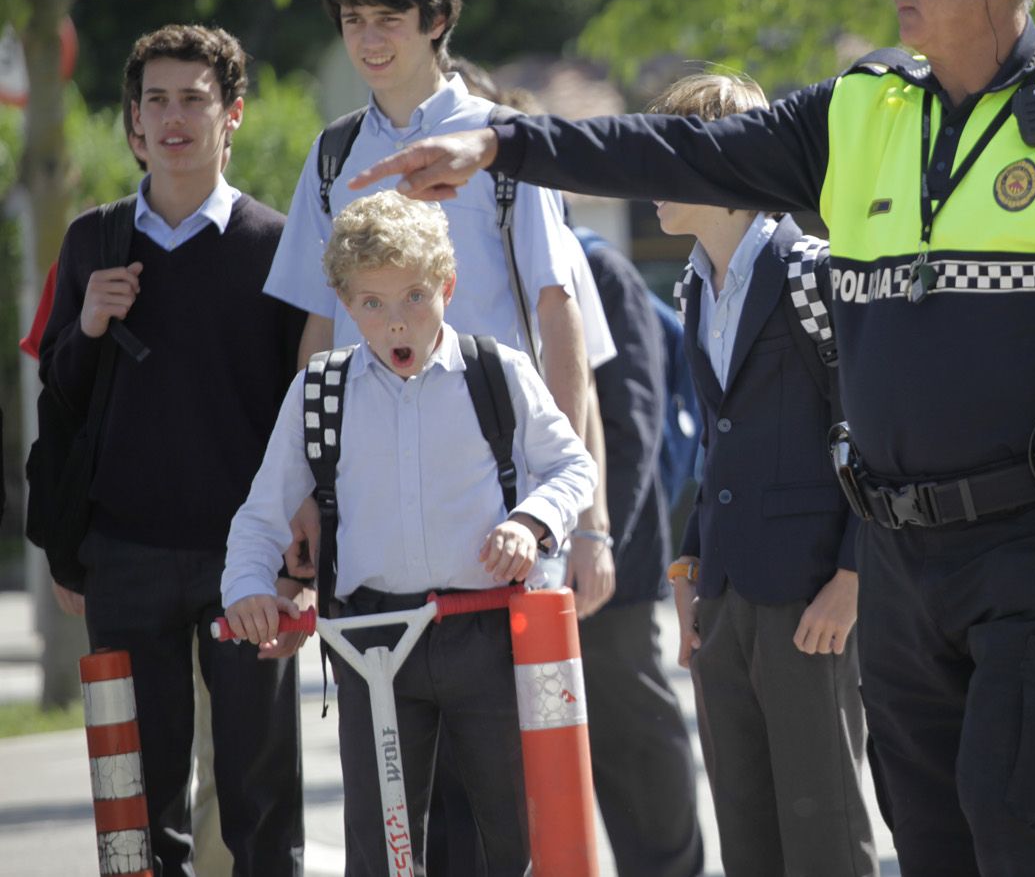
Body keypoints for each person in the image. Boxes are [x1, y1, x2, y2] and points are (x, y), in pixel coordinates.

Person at [354, 0, 1035, 876]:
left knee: (1023, 833)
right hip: (903, 557)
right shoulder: (856, 110)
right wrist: (503, 146)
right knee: (934, 841)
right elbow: (672, 150)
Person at [221, 190, 597, 877]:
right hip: (373, 640)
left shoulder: (497, 371)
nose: (397, 322)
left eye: (415, 297)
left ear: (448, 286)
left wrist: (530, 522)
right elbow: (260, 513)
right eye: (371, 303)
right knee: (384, 842)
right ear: (342, 301)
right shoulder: (320, 392)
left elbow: (573, 467)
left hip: (485, 632)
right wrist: (247, 587)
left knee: (506, 834)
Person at [262, 0, 619, 619]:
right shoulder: (332, 156)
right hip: (368, 503)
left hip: (498, 496)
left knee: (505, 724)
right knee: (387, 722)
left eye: (388, 18)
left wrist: (577, 516)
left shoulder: (505, 143)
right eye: (353, 18)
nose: (367, 39)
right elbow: (319, 326)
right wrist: (305, 484)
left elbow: (558, 315)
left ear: (439, 18)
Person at [37, 23, 308, 874]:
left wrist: (300, 555)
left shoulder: (280, 246)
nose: (174, 116)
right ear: (134, 121)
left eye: (194, 98)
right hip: (123, 555)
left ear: (232, 115)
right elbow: (60, 398)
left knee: (261, 794)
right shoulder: (91, 241)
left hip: (249, 558)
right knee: (137, 803)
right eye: (157, 100)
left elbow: (307, 413)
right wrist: (85, 326)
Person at [651, 72, 875, 876]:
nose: (650, 177)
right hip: (726, 596)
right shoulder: (691, 288)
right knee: (746, 829)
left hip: (811, 594)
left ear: (732, 168)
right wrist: (688, 561)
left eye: (670, 155)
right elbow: (720, 441)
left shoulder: (816, 273)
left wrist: (853, 578)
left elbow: (874, 437)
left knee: (826, 830)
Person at [570, 217, 706, 877]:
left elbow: (633, 427)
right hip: (534, 557)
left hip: (609, 561)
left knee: (632, 736)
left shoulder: (599, 270)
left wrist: (595, 546)